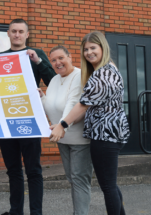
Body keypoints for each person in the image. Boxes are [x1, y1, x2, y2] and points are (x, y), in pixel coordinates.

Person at [49, 31, 130, 215]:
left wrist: (63, 124)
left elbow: (83, 104)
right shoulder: (104, 70)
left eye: (93, 48)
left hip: (106, 134)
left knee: (108, 186)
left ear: (103, 48)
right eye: (86, 49)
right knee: (110, 184)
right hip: (107, 133)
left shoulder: (104, 72)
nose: (89, 52)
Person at [0, 19, 56, 215]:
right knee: (13, 170)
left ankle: (36, 213)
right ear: (8, 33)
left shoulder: (35, 54)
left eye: (21, 31)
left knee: (33, 170)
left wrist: (38, 61)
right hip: (6, 121)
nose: (17, 35)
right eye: (13, 31)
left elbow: (52, 82)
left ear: (27, 34)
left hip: (31, 119)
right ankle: (16, 212)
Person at [39, 45, 92, 215]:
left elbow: (72, 103)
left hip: (79, 139)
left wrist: (62, 126)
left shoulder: (79, 76)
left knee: (79, 179)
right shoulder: (54, 80)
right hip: (61, 139)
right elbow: (51, 107)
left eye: (61, 58)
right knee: (72, 178)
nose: (57, 62)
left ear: (70, 57)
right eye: (53, 60)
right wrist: (41, 97)